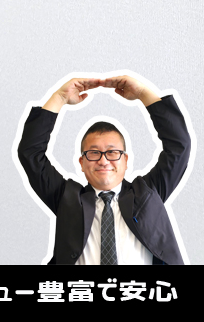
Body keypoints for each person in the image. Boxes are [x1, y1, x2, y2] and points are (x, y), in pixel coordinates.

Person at [17, 75, 191, 265]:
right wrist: (59, 98)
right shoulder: (67, 198)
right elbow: (30, 153)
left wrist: (143, 93)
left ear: (125, 160)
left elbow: (178, 147)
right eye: (93, 153)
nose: (103, 160)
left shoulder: (148, 193)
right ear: (82, 162)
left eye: (112, 152)